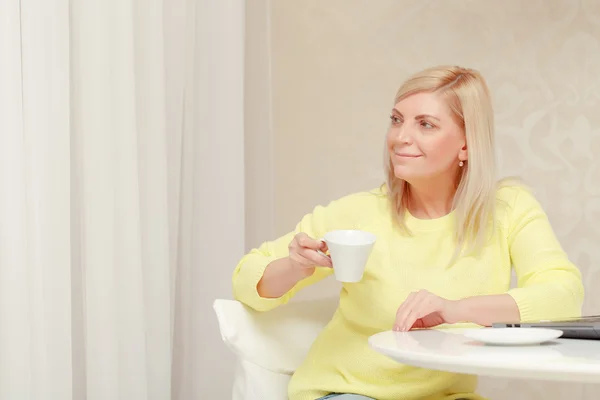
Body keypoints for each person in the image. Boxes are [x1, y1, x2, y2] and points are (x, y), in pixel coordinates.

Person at [231, 65, 584, 400]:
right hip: (350, 391)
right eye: (397, 120)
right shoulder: (359, 213)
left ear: (466, 144)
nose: (401, 137)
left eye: (425, 124)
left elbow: (563, 294)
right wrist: (295, 266)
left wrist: (453, 310)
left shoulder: (508, 208)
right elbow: (247, 279)